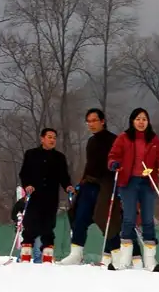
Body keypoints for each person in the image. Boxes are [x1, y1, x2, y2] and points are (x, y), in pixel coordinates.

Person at [107, 107, 159, 271]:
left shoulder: (153, 139)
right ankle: (124, 260)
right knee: (129, 218)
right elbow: (113, 155)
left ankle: (150, 261)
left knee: (148, 219)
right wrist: (114, 164)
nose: (141, 122)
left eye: (144, 119)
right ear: (132, 121)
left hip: (147, 182)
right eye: (138, 119)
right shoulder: (124, 138)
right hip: (128, 182)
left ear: (148, 122)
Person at [62, 108, 122, 268]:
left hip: (106, 184)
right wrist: (81, 182)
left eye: (94, 120)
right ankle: (76, 253)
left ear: (102, 121)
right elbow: (89, 165)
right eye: (88, 121)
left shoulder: (114, 140)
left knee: (107, 219)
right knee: (79, 217)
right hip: (89, 184)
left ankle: (115, 254)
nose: (91, 124)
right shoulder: (91, 141)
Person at [18, 127, 73, 263]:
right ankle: (25, 256)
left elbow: (64, 176)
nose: (52, 140)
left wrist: (67, 186)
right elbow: (24, 173)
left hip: (51, 197)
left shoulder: (59, 157)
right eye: (49, 137)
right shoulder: (31, 154)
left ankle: (47, 257)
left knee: (48, 227)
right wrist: (27, 185)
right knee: (30, 225)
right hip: (34, 196)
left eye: (54, 137)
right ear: (42, 138)